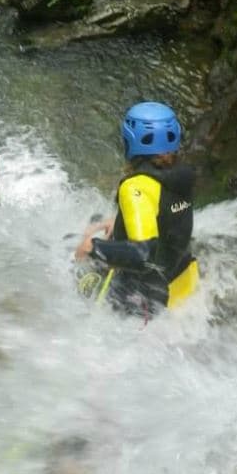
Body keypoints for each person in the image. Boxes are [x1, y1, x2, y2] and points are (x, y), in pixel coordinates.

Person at [75, 101, 198, 317]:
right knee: (100, 222)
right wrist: (121, 221)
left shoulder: (136, 186)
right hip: (183, 277)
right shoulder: (182, 173)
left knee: (76, 263)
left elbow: (144, 253)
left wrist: (92, 247)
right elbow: (165, 213)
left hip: (146, 297)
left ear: (130, 140)